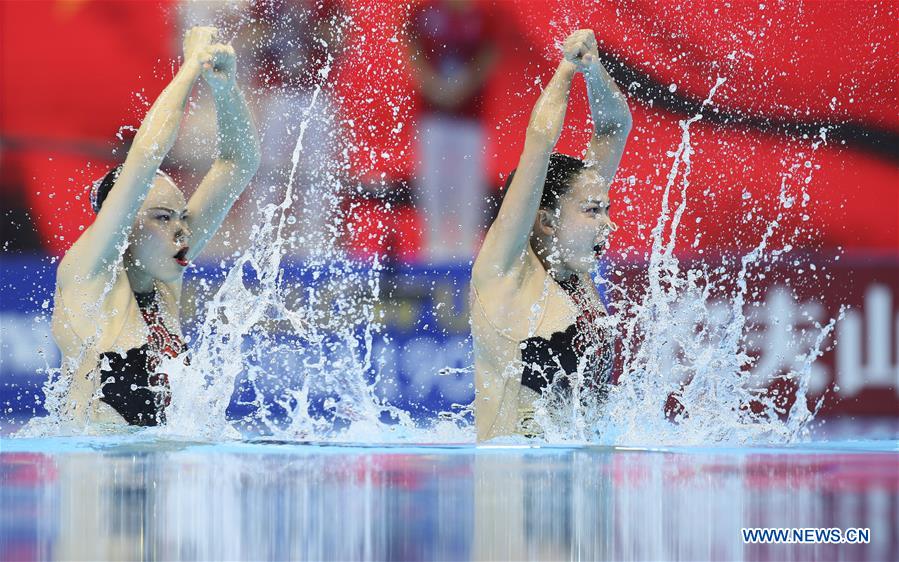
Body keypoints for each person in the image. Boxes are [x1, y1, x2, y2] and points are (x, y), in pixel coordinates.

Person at [51, 27, 260, 428]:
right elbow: (147, 155)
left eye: (181, 217)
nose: (182, 231)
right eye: (163, 217)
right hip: (98, 474)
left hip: (160, 476)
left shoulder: (161, 279)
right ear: (121, 226)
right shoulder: (88, 276)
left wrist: (225, 87)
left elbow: (237, 164)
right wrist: (189, 68)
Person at [470, 29, 632, 441]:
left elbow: (614, 127)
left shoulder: (572, 268)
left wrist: (592, 71)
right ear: (546, 220)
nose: (607, 223)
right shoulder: (504, 273)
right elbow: (538, 146)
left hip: (582, 490)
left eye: (607, 209)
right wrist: (565, 69)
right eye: (593, 211)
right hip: (513, 489)